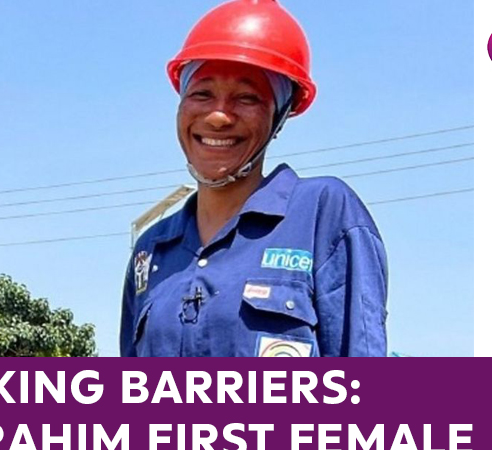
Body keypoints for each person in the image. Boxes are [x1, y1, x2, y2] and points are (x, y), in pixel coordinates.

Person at [120, 0, 388, 357]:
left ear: (279, 117)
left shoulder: (322, 215)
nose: (218, 116)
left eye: (247, 98)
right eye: (201, 93)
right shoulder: (150, 251)